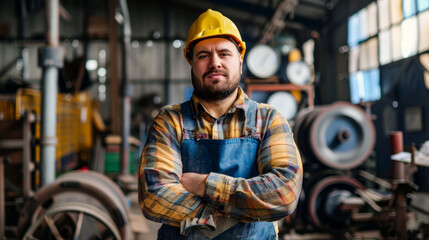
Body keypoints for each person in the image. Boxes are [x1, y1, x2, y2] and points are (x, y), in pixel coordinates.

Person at [138, 9, 303, 240]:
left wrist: (203, 184)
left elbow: (283, 193)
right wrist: (244, 210)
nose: (214, 63)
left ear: (240, 61)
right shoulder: (169, 121)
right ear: (191, 63)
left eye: (224, 53)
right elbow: (154, 196)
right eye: (203, 55)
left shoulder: (268, 120)